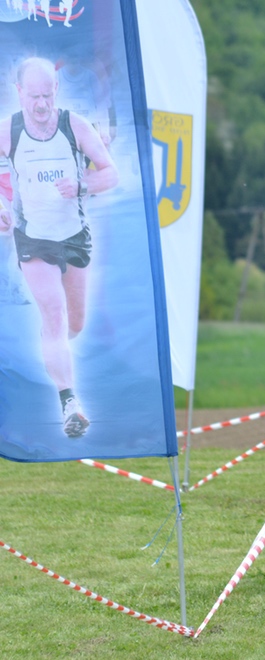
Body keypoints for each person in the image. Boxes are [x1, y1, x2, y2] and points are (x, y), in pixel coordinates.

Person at [0, 57, 118, 438]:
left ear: (56, 90)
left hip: (74, 234)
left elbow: (111, 173)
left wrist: (82, 186)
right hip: (33, 237)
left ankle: (52, 348)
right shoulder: (8, 131)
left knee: (74, 323)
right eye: (33, 96)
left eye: (47, 96)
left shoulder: (75, 126)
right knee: (54, 313)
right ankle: (70, 402)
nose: (41, 105)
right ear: (19, 92)